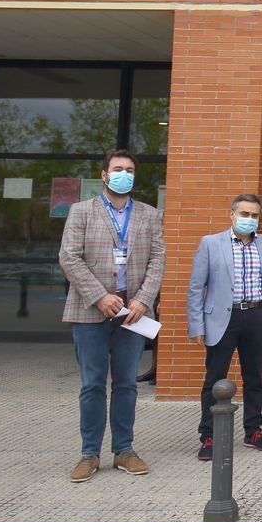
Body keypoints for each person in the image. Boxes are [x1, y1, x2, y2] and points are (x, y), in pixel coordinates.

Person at [59, 149, 164, 482]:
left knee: (126, 385)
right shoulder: (81, 212)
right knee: (92, 384)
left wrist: (143, 300)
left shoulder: (149, 215)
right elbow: (70, 258)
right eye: (118, 169)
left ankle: (124, 450)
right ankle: (89, 454)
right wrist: (99, 296)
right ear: (104, 175)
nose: (124, 174)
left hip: (131, 314)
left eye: (130, 170)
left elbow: (157, 261)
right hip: (91, 310)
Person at [188, 194, 262, 461]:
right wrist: (197, 325)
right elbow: (196, 287)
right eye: (244, 214)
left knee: (254, 378)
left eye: (254, 215)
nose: (249, 219)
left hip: (256, 316)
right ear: (232, 215)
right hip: (222, 320)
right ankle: (208, 435)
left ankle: (254, 431)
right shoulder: (211, 243)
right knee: (214, 379)